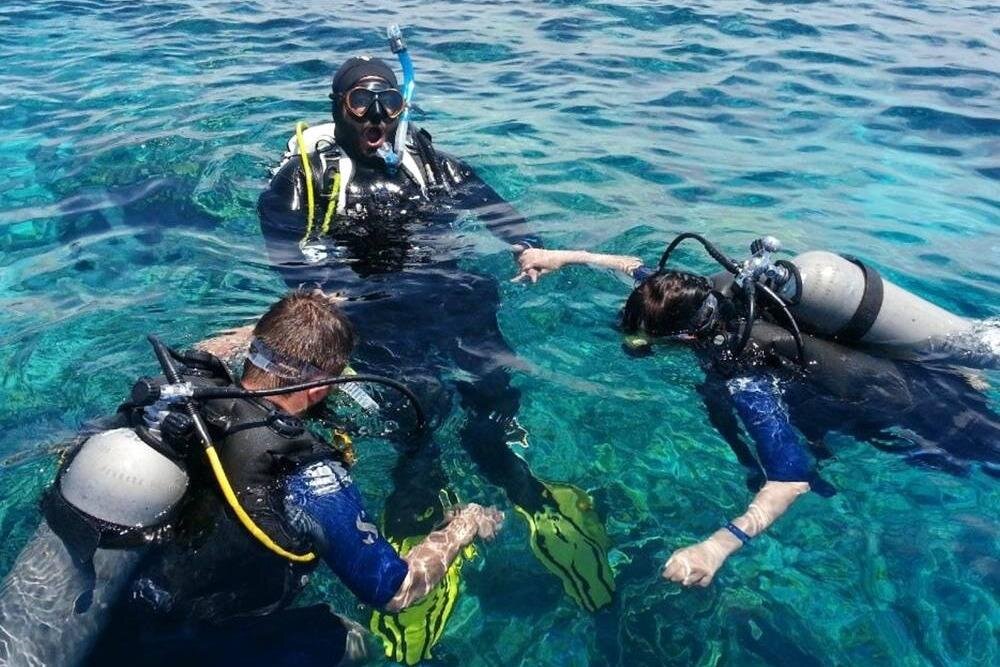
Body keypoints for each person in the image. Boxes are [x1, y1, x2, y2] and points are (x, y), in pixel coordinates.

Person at [254, 35, 615, 631]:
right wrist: (314, 286)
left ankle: (507, 467)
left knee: (495, 383)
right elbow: (282, 236)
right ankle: (419, 491)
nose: (376, 119)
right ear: (339, 107)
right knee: (420, 405)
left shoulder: (427, 164)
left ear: (402, 106)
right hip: (374, 305)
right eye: (361, 105)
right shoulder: (309, 177)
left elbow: (488, 202)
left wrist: (526, 244)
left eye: (389, 104)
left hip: (450, 292)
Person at [0, 290, 503, 667]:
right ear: (320, 388)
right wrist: (462, 527)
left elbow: (218, 350)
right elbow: (394, 591)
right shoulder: (306, 473)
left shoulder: (174, 406)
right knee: (354, 640)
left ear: (253, 353)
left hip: (109, 614)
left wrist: (275, 326)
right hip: (195, 643)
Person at [512, 240, 999, 588]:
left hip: (921, 414)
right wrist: (558, 256)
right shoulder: (712, 290)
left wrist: (716, 547)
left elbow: (790, 480)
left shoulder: (744, 372)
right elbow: (633, 268)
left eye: (647, 341)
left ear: (686, 337)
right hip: (909, 373)